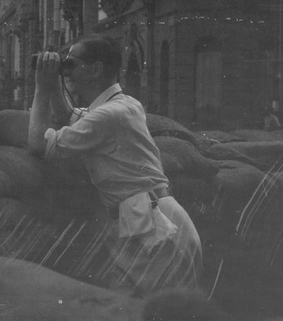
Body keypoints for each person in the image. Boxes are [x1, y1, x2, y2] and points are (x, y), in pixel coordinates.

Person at [28, 34, 202, 297]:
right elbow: (72, 118)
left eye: (71, 64)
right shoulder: (124, 105)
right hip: (155, 221)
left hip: (156, 230)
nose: (68, 71)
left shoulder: (109, 115)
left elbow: (38, 145)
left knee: (156, 311)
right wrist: (54, 84)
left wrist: (41, 87)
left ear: (96, 69)